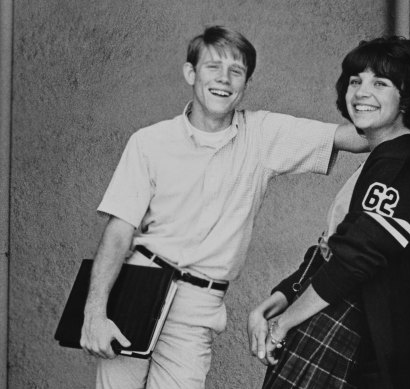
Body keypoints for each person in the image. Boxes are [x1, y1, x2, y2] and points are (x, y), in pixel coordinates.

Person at [79, 25, 367, 389]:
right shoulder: (149, 142)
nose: (224, 79)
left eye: (237, 71)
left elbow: (348, 137)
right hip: (137, 286)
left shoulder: (261, 135)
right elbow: (118, 232)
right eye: (213, 67)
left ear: (246, 83)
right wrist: (94, 312)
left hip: (199, 305)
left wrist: (400, 122)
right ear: (190, 73)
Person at [248, 36, 410, 388]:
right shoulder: (382, 155)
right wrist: (282, 296)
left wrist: (285, 323)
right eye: (356, 81)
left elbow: (355, 259)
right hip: (335, 322)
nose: (361, 92)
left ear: (406, 96)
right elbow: (333, 248)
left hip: (360, 344)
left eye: (380, 83)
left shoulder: (405, 162)